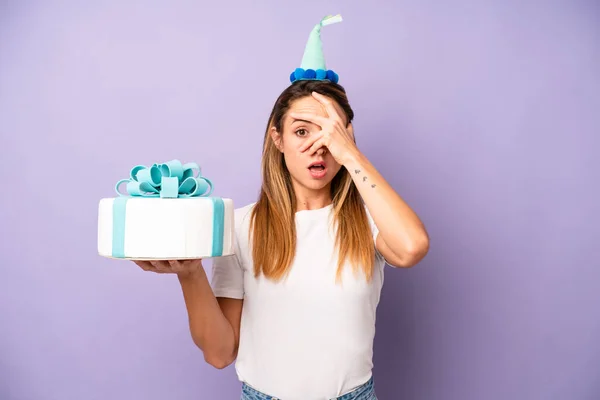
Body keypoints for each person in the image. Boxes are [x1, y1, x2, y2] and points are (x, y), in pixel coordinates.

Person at [133, 15, 429, 400]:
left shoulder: (370, 222)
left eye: (330, 132)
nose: (317, 146)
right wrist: (190, 274)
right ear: (278, 138)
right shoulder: (240, 228)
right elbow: (220, 353)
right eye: (302, 131)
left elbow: (411, 248)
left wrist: (351, 154)